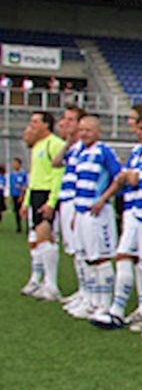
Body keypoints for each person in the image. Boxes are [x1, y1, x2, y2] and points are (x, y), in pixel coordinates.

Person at [89, 105, 142, 329]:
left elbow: (141, 179)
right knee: (126, 257)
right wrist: (111, 191)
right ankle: (122, 309)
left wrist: (133, 177)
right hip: (133, 211)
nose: (137, 132)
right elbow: (122, 177)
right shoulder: (138, 151)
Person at [71, 114, 123, 321]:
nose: (84, 133)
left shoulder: (104, 152)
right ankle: (92, 301)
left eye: (88, 130)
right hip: (82, 213)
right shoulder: (82, 154)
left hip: (98, 214)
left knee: (101, 258)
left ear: (98, 132)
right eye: (81, 130)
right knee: (88, 258)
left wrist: (103, 199)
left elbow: (119, 178)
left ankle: (105, 303)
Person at [19, 112, 65, 300]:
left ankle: (51, 285)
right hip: (36, 193)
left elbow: (57, 174)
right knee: (35, 240)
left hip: (47, 194)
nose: (32, 125)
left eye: (35, 122)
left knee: (46, 237)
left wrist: (51, 201)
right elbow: (34, 176)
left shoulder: (55, 144)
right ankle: (37, 279)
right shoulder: (37, 145)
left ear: (46, 125)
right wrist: (27, 201)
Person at [53, 106, 89, 317]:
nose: (65, 123)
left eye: (70, 120)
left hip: (76, 202)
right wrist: (67, 142)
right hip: (65, 200)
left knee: (82, 250)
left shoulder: (85, 148)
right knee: (75, 250)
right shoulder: (73, 148)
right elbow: (56, 162)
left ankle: (88, 293)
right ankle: (82, 290)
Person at [10, 157, 28, 233]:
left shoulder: (23, 173)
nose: (14, 165)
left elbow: (25, 184)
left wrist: (22, 190)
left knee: (25, 211)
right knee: (16, 211)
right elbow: (11, 184)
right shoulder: (12, 174)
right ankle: (19, 226)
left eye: (15, 163)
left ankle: (28, 227)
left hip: (22, 195)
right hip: (15, 195)